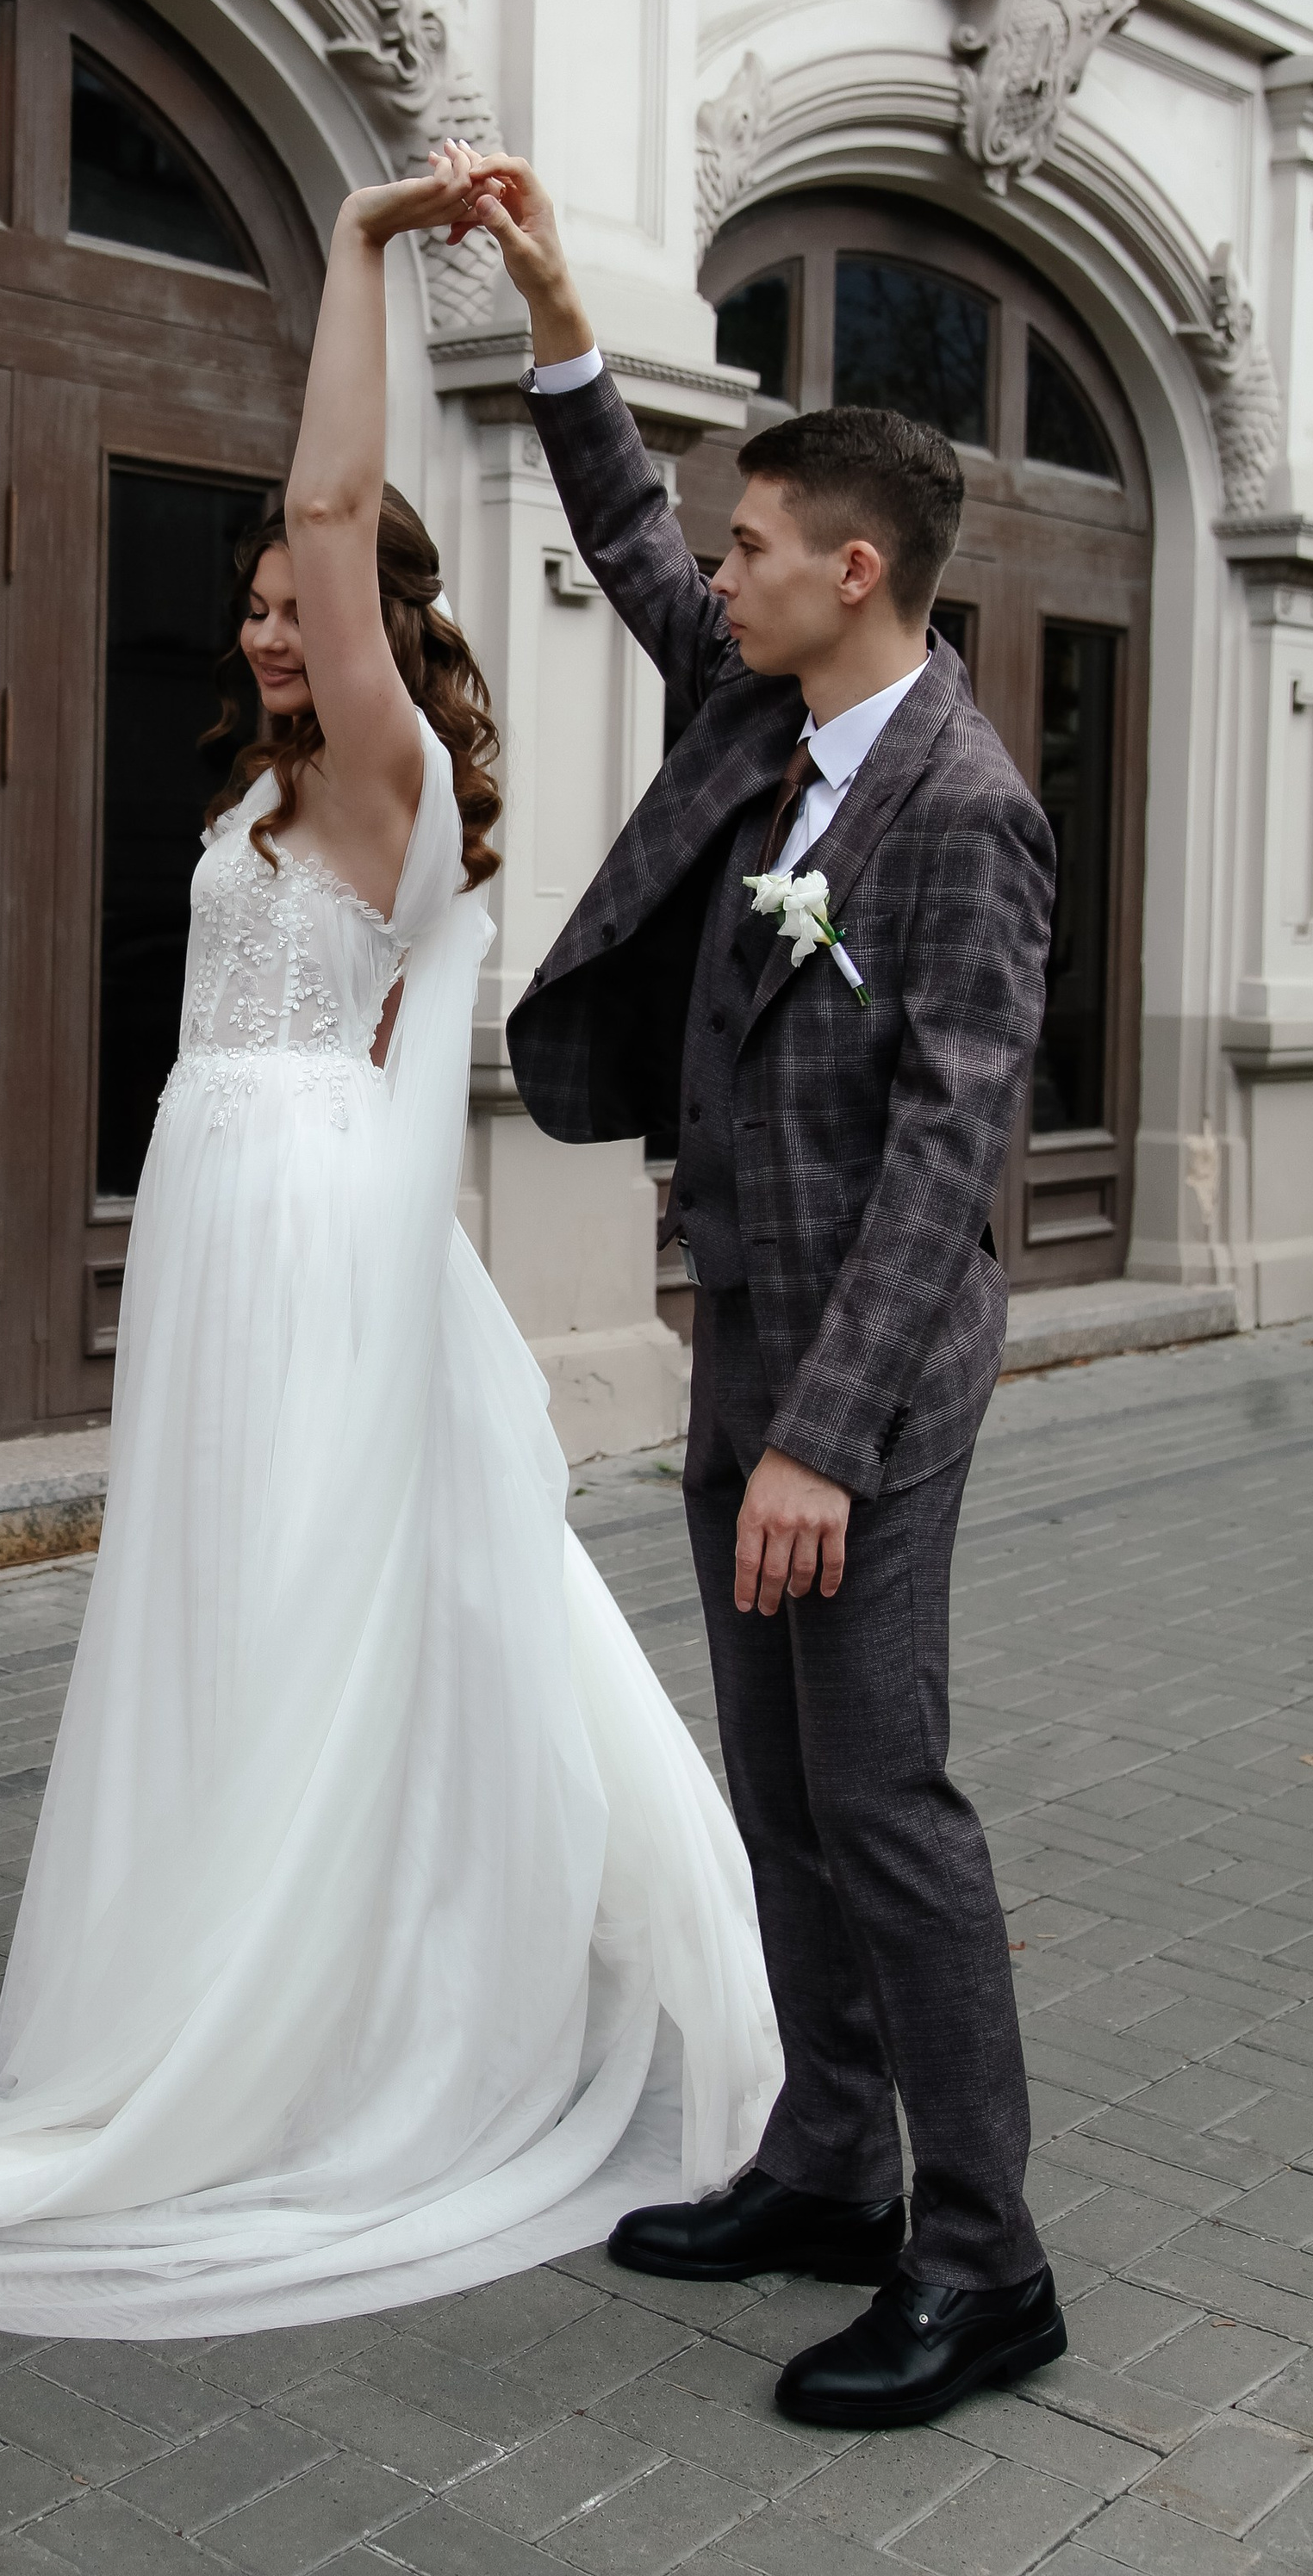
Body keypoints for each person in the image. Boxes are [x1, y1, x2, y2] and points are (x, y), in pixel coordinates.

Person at [0, 142, 777, 2337]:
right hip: (225, 1227)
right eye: (250, 605)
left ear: (380, 626)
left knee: (318, 1607)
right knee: (224, 1612)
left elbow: (340, 510)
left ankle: (328, 2021)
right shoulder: (259, 790)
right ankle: (214, 1964)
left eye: (298, 601)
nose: (268, 620)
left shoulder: (383, 776)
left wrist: (356, 256)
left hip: (314, 1237)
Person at [456, 152, 1064, 2431]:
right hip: (747, 1341)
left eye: (749, 550)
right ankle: (829, 2164)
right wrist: (547, 300)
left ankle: (986, 2261)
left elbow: (951, 1146)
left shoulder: (964, 812)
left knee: (886, 1792)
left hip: (869, 1384)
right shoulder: (765, 719)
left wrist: (823, 1435)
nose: (712, 576)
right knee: (782, 1786)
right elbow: (622, 528)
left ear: (854, 571)